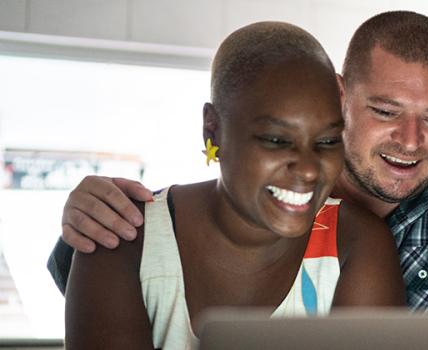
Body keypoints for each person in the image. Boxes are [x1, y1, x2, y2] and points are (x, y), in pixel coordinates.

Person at [50, 11, 428, 311]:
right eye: (386, 110)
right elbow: (139, 266)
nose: (412, 140)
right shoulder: (275, 184)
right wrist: (88, 218)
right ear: (341, 94)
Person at [64, 21, 405, 349]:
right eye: (275, 140)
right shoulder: (122, 232)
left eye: (328, 141)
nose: (307, 170)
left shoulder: (355, 243)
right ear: (212, 130)